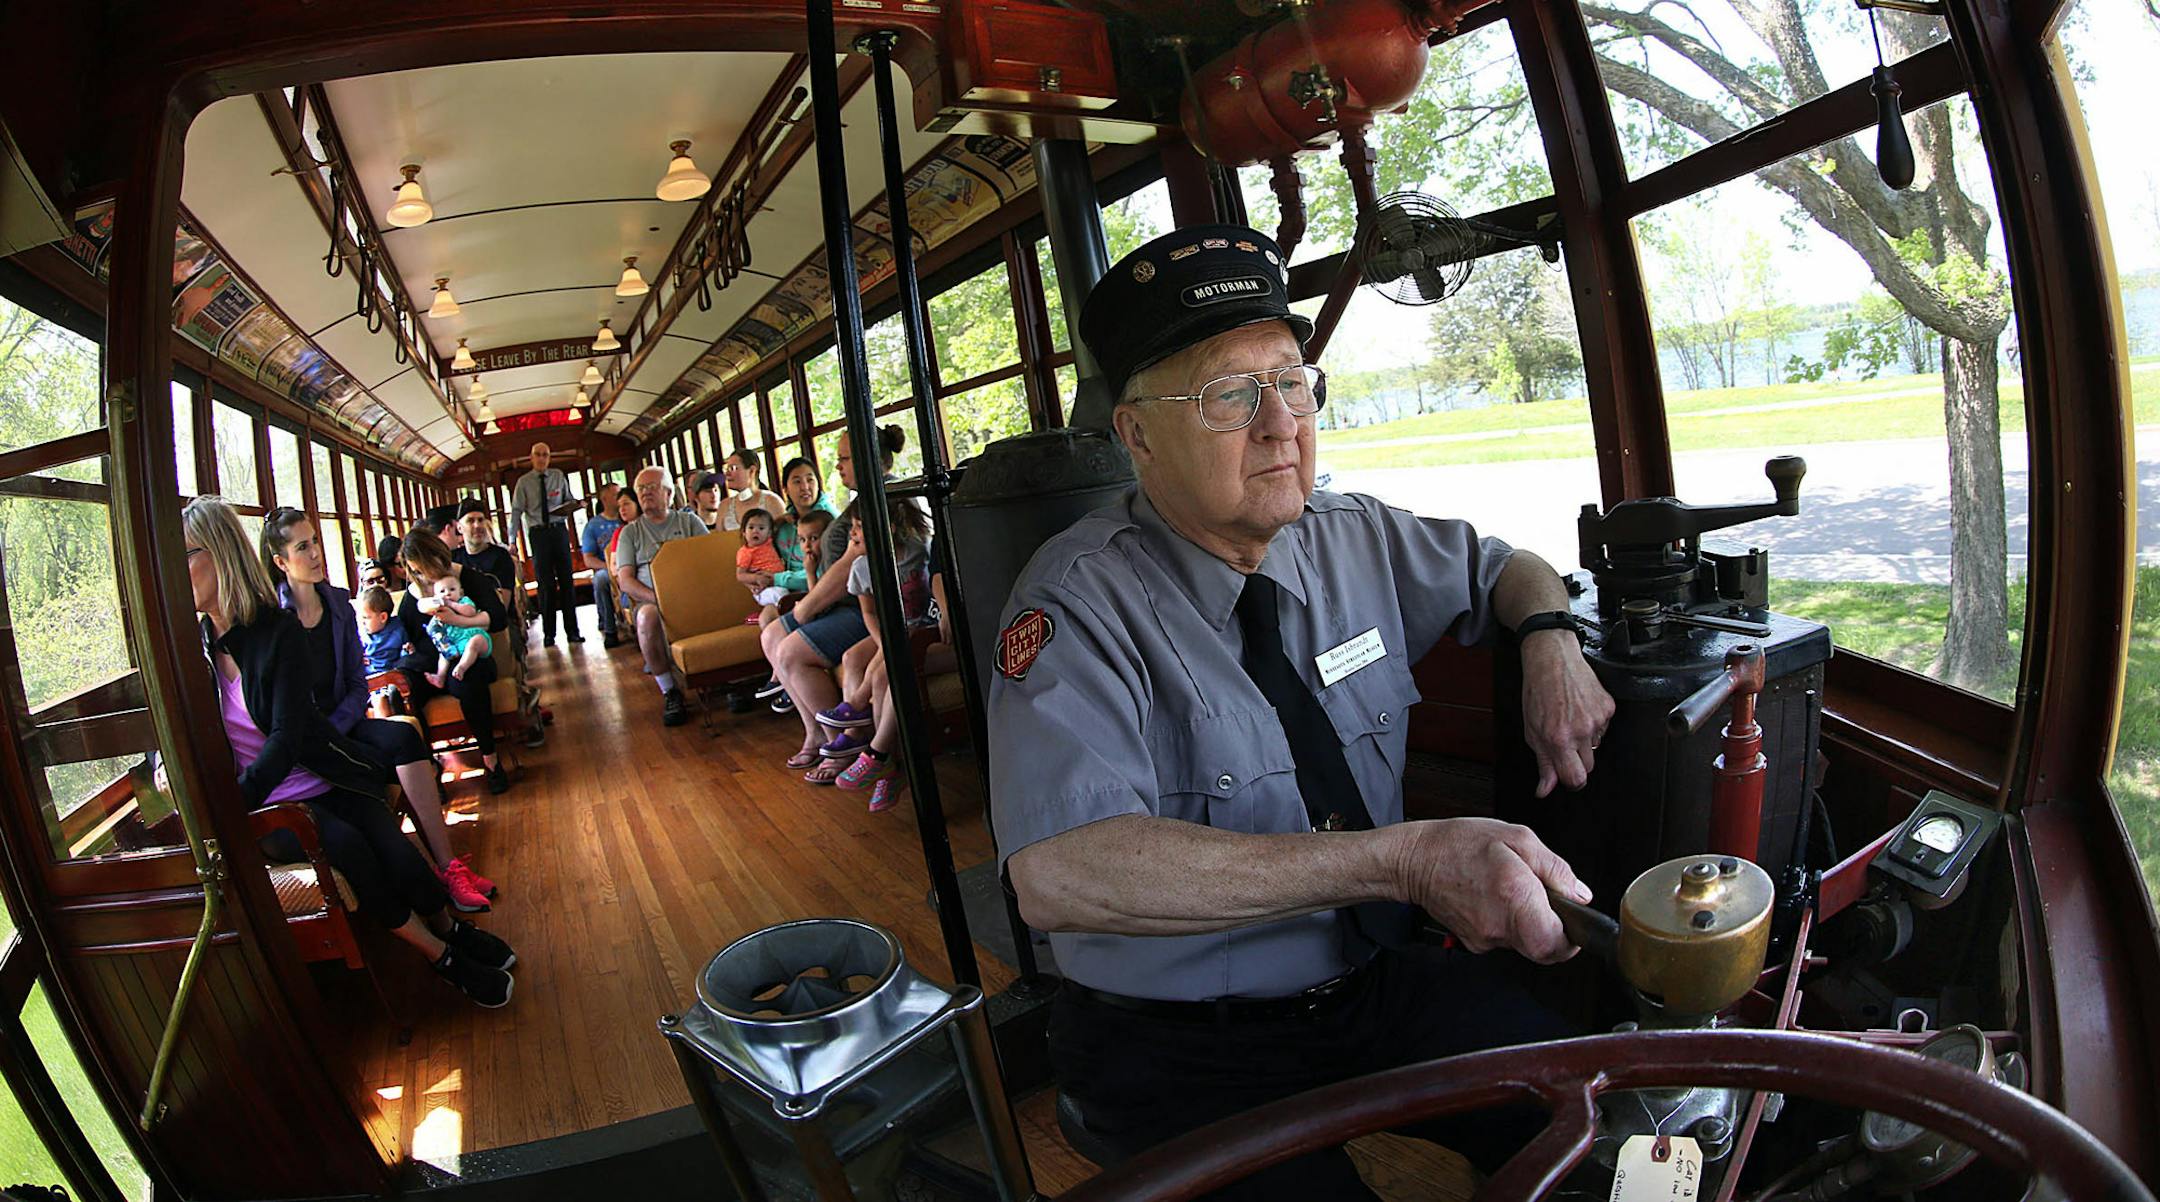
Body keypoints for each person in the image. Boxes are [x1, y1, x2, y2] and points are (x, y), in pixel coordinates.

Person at [986, 225, 1615, 1197]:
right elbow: (1061, 872)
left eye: (1292, 382)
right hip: (1176, 1041)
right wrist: (1404, 858)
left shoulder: (1349, 536)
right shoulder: (1073, 601)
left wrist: (1548, 638)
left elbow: (1506, 565)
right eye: (1231, 394)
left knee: (1603, 1127)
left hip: (1370, 984)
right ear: (1139, 434)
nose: (1282, 422)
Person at [188, 497, 515, 1007]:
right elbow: (174, 724)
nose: (175, 570)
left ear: (219, 554)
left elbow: (289, 734)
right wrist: (216, 792)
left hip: (324, 773)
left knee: (397, 852)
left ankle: (450, 927)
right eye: (303, 546)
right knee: (354, 849)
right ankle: (441, 956)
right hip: (271, 806)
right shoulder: (190, 652)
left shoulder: (274, 633)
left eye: (185, 554)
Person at [259, 507, 497, 913]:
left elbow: (355, 680)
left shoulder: (336, 603)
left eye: (316, 541)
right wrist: (324, 735)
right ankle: (417, 886)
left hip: (343, 723)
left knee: (404, 736)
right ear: (281, 562)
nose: (316, 553)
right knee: (368, 768)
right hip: (305, 741)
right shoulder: (274, 621)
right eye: (303, 546)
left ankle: (448, 866)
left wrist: (339, 724)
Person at [760, 426, 911, 763]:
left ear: (868, 459)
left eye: (844, 458)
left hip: (860, 608)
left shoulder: (882, 501)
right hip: (840, 604)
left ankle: (841, 747)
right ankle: (814, 733)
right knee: (770, 637)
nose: (838, 466)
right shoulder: (863, 499)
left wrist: (804, 610)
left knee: (789, 653)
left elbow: (851, 566)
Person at [398, 527, 514, 792]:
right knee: (406, 688)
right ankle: (428, 768)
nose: (423, 577)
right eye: (415, 571)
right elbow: (408, 633)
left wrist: (458, 619)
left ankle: (491, 760)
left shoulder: (467, 579)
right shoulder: (413, 596)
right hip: (431, 662)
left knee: (469, 680)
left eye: (424, 569)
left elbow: (497, 619)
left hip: (467, 655)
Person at [612, 465, 710, 727]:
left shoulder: (688, 522)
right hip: (651, 600)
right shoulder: (630, 533)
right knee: (646, 619)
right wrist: (658, 597)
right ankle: (670, 691)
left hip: (694, 592)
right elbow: (625, 580)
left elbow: (710, 558)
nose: (645, 493)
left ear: (668, 493)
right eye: (640, 489)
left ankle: (722, 679)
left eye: (651, 487)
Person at [509, 441, 583, 646]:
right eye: (538, 455)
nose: (542, 458)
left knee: (567, 582)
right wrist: (511, 540)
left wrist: (577, 504)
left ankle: (573, 631)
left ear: (549, 458)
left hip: (559, 531)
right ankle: (549, 634)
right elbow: (516, 511)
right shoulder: (524, 482)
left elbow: (569, 499)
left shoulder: (558, 476)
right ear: (531, 458)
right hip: (538, 534)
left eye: (545, 455)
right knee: (545, 585)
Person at [426, 575, 494, 688]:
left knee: (475, 642)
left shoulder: (464, 601)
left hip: (472, 636)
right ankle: (440, 677)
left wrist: (451, 604)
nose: (447, 593)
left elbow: (470, 612)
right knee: (443, 654)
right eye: (442, 591)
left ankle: (462, 667)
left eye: (452, 589)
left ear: (461, 592)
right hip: (455, 643)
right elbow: (434, 627)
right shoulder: (440, 611)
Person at [581, 481, 624, 648]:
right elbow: (588, 559)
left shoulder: (626, 519)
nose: (620, 498)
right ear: (604, 499)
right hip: (607, 569)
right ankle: (610, 629)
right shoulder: (593, 526)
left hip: (631, 565)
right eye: (615, 495)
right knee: (600, 580)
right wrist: (610, 568)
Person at [717, 449, 786, 533]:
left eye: (732, 468)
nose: (727, 474)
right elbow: (718, 542)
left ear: (752, 471)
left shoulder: (772, 501)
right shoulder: (724, 506)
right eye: (726, 469)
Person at [735, 509, 786, 609]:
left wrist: (784, 518)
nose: (755, 531)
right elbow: (740, 575)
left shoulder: (769, 542)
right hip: (763, 589)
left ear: (769, 533)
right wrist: (756, 579)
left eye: (761, 528)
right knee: (780, 596)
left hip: (780, 581)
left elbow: (776, 525)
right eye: (751, 527)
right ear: (744, 532)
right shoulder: (746, 552)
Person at [358, 586, 404, 675]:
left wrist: (407, 651)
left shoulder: (397, 631)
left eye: (366, 618)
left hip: (391, 675)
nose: (362, 622)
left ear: (383, 617)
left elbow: (405, 655)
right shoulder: (362, 634)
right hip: (367, 675)